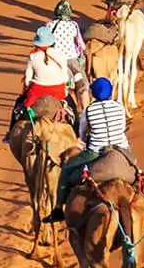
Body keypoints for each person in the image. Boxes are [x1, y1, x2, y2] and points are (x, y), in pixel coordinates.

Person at [50, 77, 134, 218]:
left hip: (95, 152)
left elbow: (82, 135)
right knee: (136, 170)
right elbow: (122, 127)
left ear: (93, 93)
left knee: (66, 169)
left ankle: (58, 208)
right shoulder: (119, 106)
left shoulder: (88, 111)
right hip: (121, 148)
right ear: (110, 92)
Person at [10, 25, 72, 133]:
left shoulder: (33, 56)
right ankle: (77, 136)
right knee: (73, 109)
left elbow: (27, 80)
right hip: (58, 93)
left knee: (18, 106)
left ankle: (10, 133)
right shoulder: (60, 55)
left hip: (36, 93)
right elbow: (65, 78)